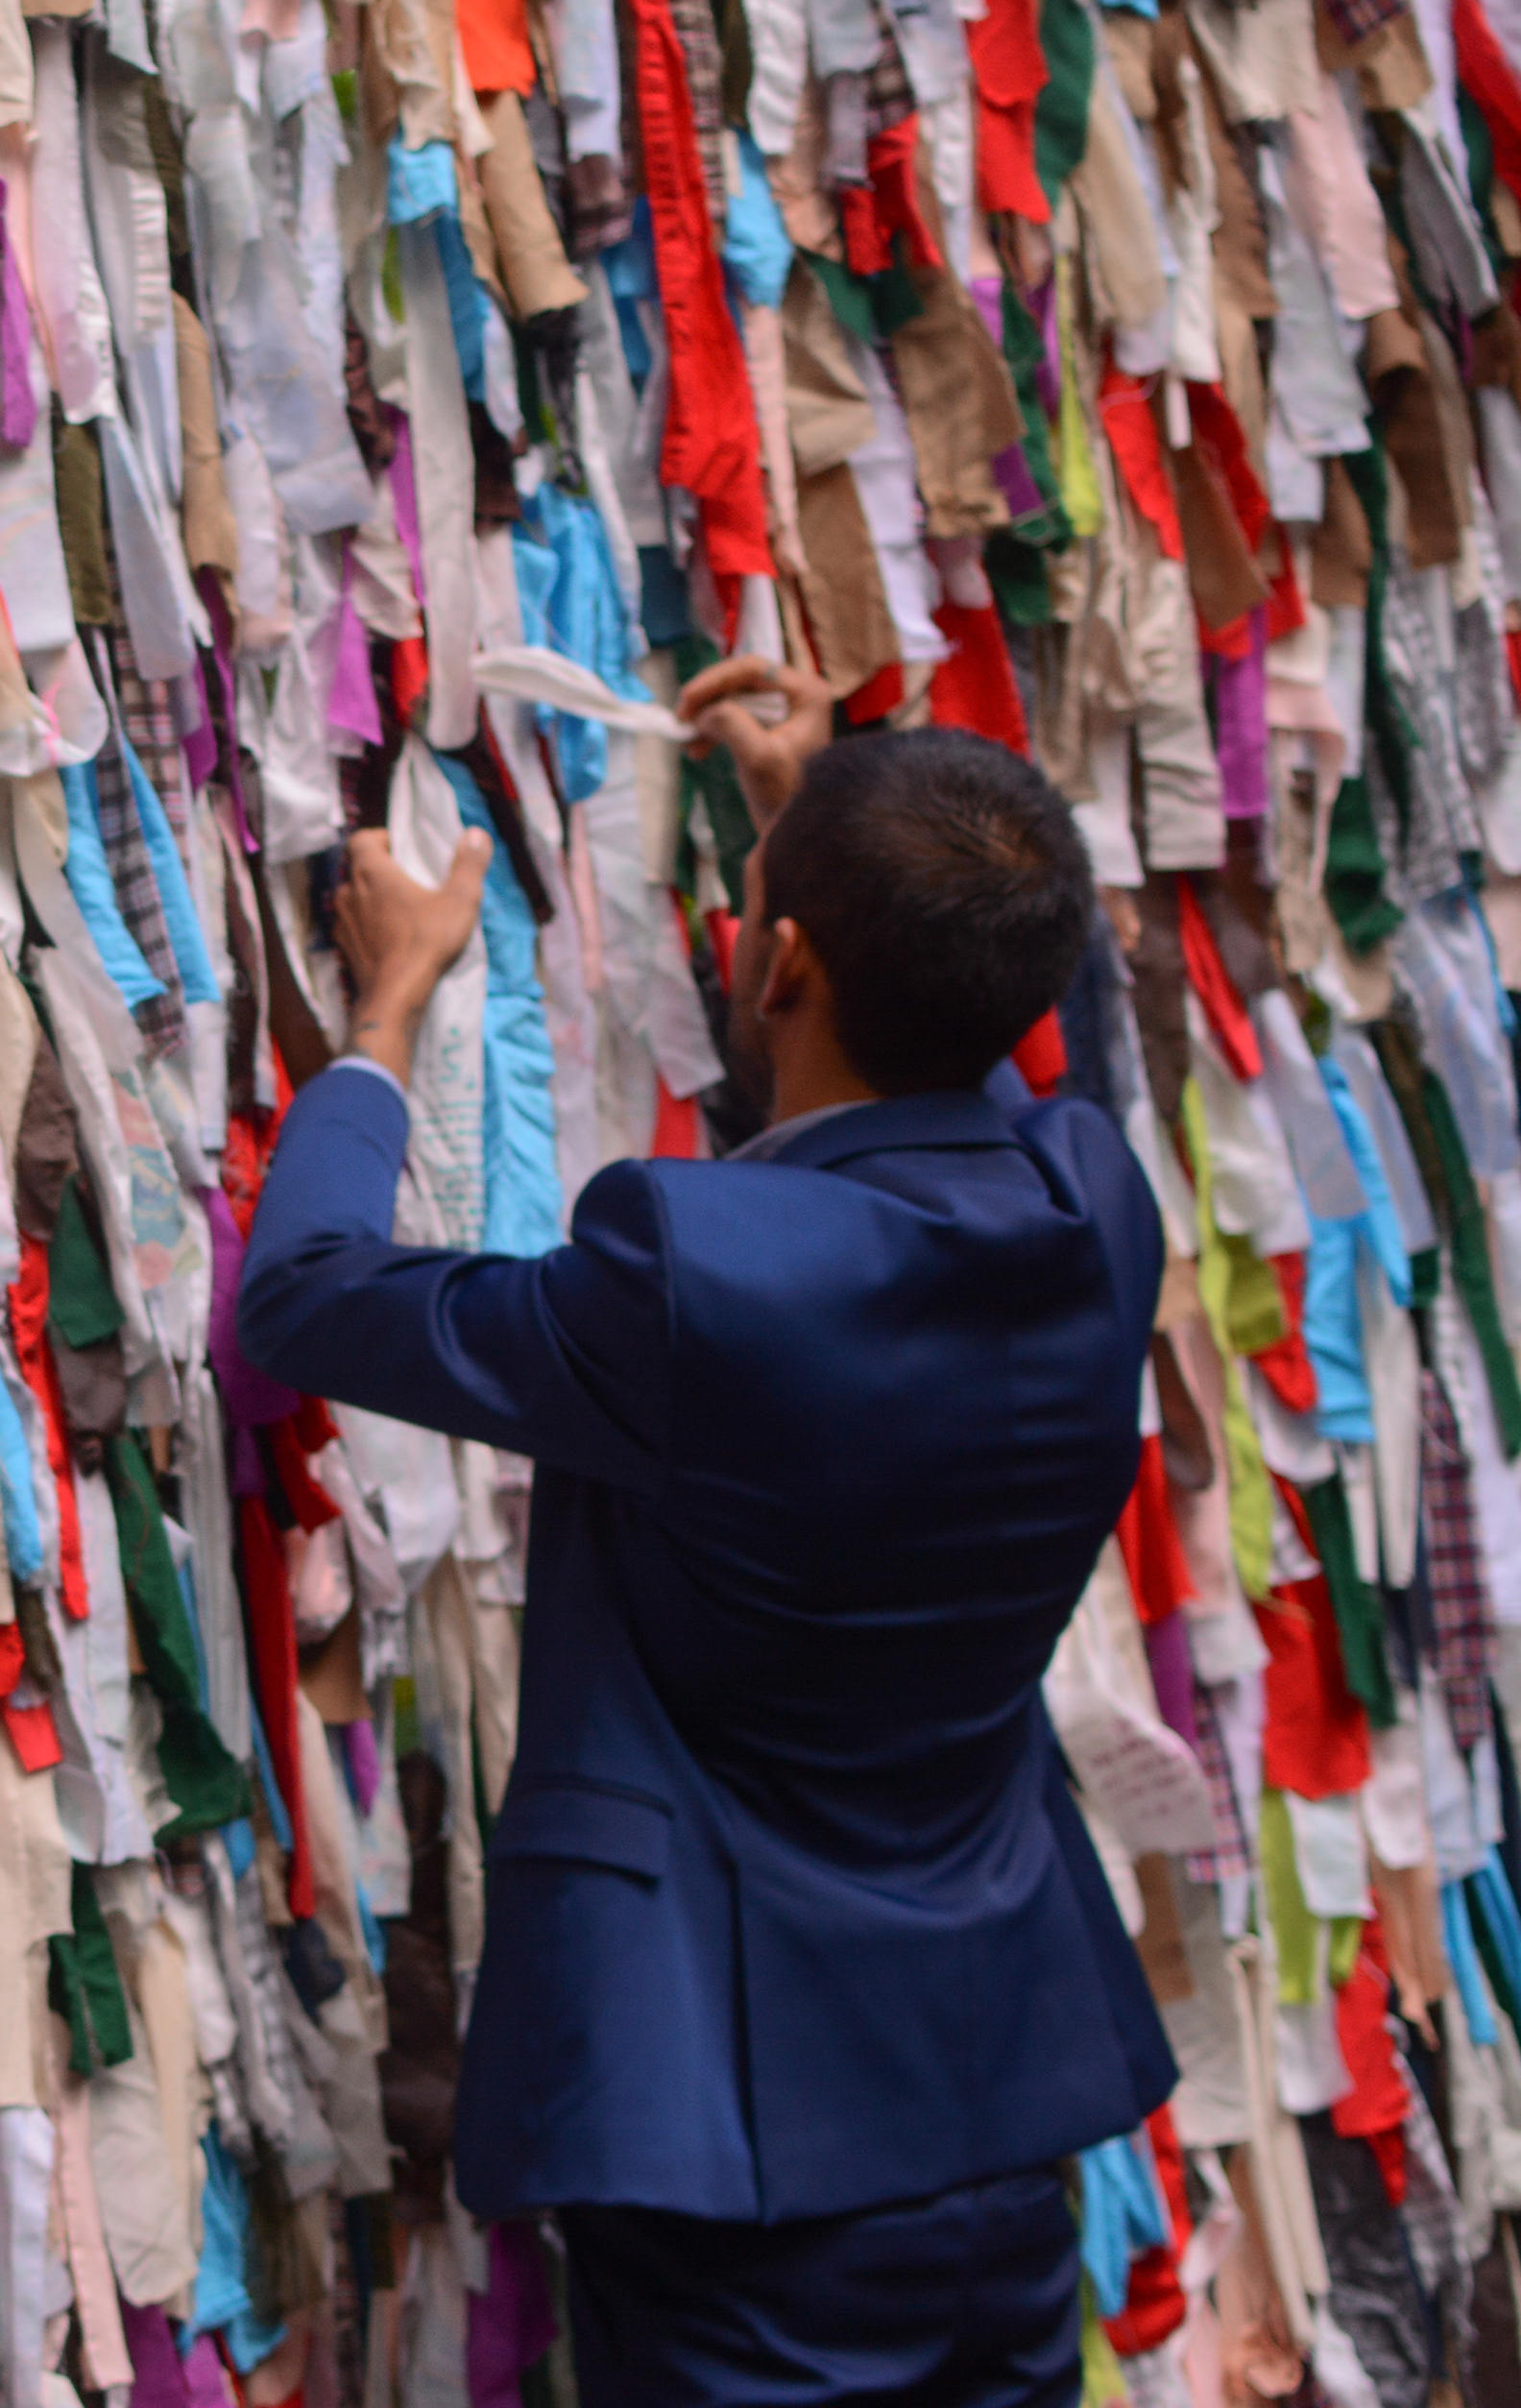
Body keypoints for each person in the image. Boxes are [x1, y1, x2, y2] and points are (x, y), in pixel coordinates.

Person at [235, 662, 1175, 2407]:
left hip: (741, 2148)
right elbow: (923, 1088)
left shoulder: (686, 1278)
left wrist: (388, 1011)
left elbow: (303, 1297)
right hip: (999, 2096)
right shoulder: (1095, 1205)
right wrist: (821, 848)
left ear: (783, 958)